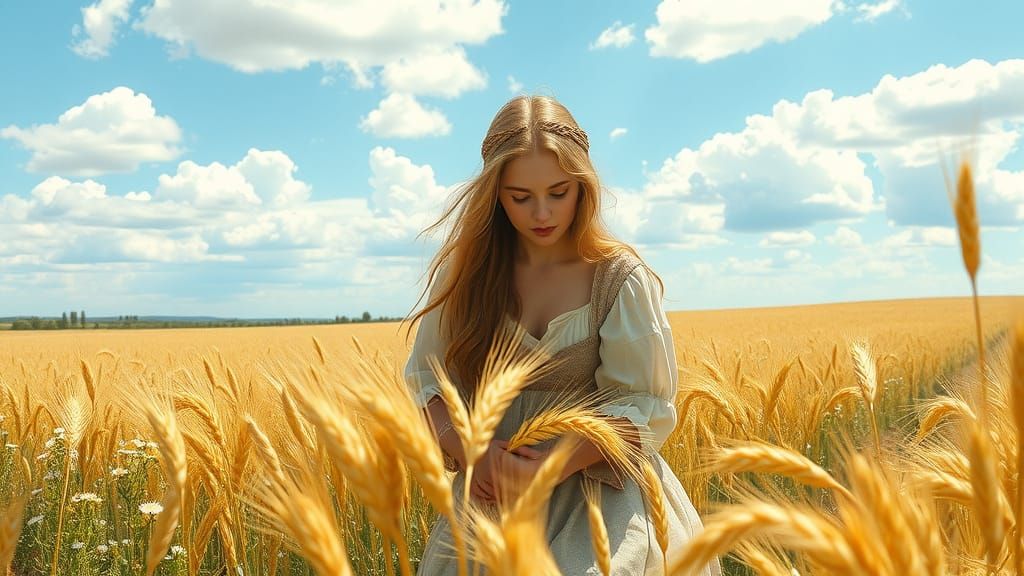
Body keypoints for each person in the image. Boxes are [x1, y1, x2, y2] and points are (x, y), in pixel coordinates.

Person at [402, 95, 720, 575]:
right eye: (520, 197)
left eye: (558, 191)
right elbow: (429, 383)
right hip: (493, 495)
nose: (542, 213)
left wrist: (551, 464)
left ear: (582, 186)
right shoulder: (464, 276)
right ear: (494, 194)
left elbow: (644, 403)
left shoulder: (618, 279)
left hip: (600, 496)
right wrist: (474, 452)